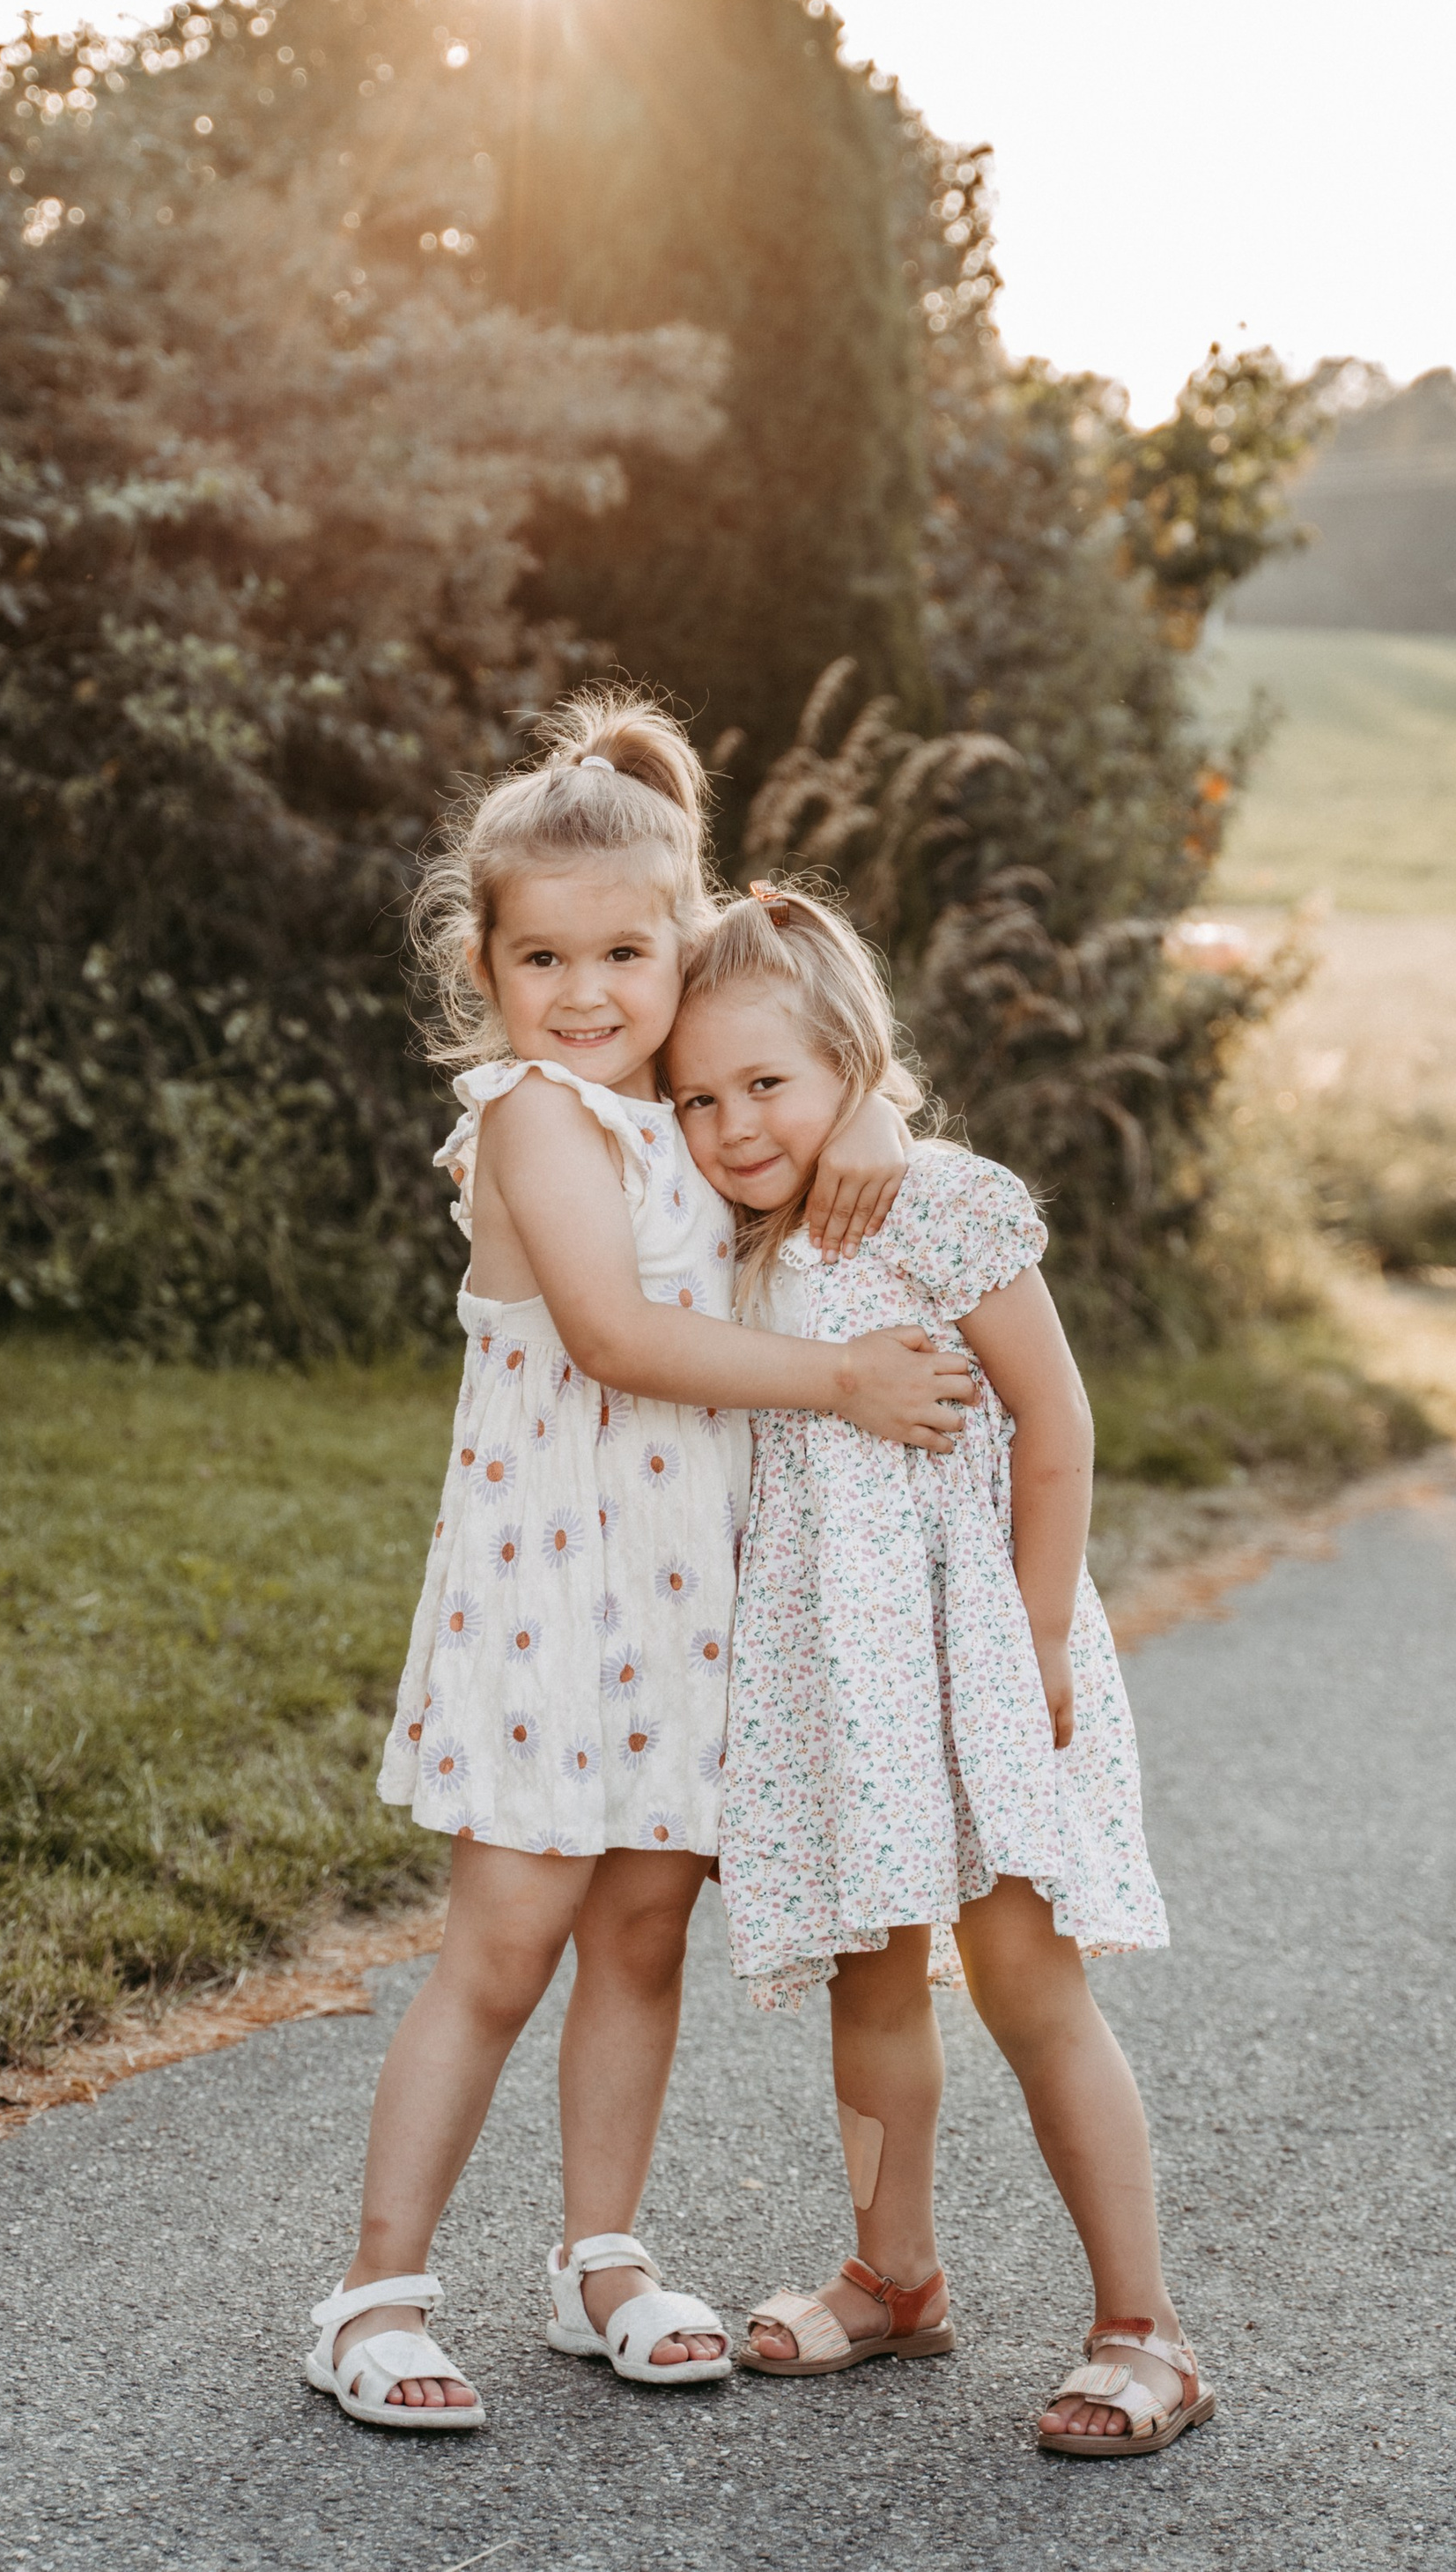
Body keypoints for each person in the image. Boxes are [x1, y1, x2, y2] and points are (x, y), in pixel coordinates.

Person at [304, 701, 976, 2432]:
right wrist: (837, 1381)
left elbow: (808, 1087)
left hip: (683, 1610)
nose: (586, 991)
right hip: (543, 1606)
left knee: (640, 1940)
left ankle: (596, 2253)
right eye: (543, 957)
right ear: (487, 966)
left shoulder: (686, 1116)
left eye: (624, 951)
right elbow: (609, 1337)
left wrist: (879, 1120)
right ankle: (375, 2289)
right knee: (504, 1945)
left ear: (682, 949)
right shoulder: (533, 1117)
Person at [664, 882, 1209, 2460]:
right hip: (839, 1675)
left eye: (767, 1084)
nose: (731, 1123)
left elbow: (1060, 1424)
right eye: (698, 1097)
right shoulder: (732, 1240)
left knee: (1030, 1981)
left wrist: (1039, 1636)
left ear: (851, 1063)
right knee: (874, 1974)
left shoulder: (938, 1200)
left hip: (979, 1653)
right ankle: (894, 2272)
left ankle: (1144, 2328)